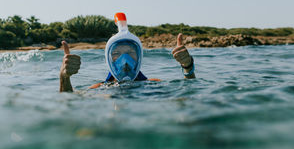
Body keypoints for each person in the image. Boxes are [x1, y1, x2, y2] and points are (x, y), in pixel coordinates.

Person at [60, 13, 195, 92]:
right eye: (117, 54)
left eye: (130, 52)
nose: (124, 60)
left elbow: (188, 94)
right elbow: (68, 104)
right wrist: (64, 77)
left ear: (139, 57)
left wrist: (187, 67)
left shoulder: (153, 85)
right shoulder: (99, 90)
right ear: (108, 59)